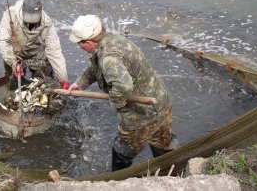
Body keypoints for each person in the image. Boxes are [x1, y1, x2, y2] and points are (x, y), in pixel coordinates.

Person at [68, 15, 179, 171]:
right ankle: (174, 170)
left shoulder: (109, 58)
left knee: (123, 149)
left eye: (80, 44)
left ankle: (118, 179)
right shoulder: (111, 38)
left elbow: (123, 87)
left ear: (89, 43)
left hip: (142, 113)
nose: (79, 46)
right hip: (161, 99)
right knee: (163, 141)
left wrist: (116, 102)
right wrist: (80, 83)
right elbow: (96, 68)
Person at [0, 0, 69, 90]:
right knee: (12, 84)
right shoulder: (10, 15)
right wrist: (13, 62)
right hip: (15, 54)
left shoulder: (47, 23)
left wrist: (63, 79)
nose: (30, 23)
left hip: (37, 55)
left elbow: (55, 52)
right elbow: (2, 41)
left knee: (43, 83)